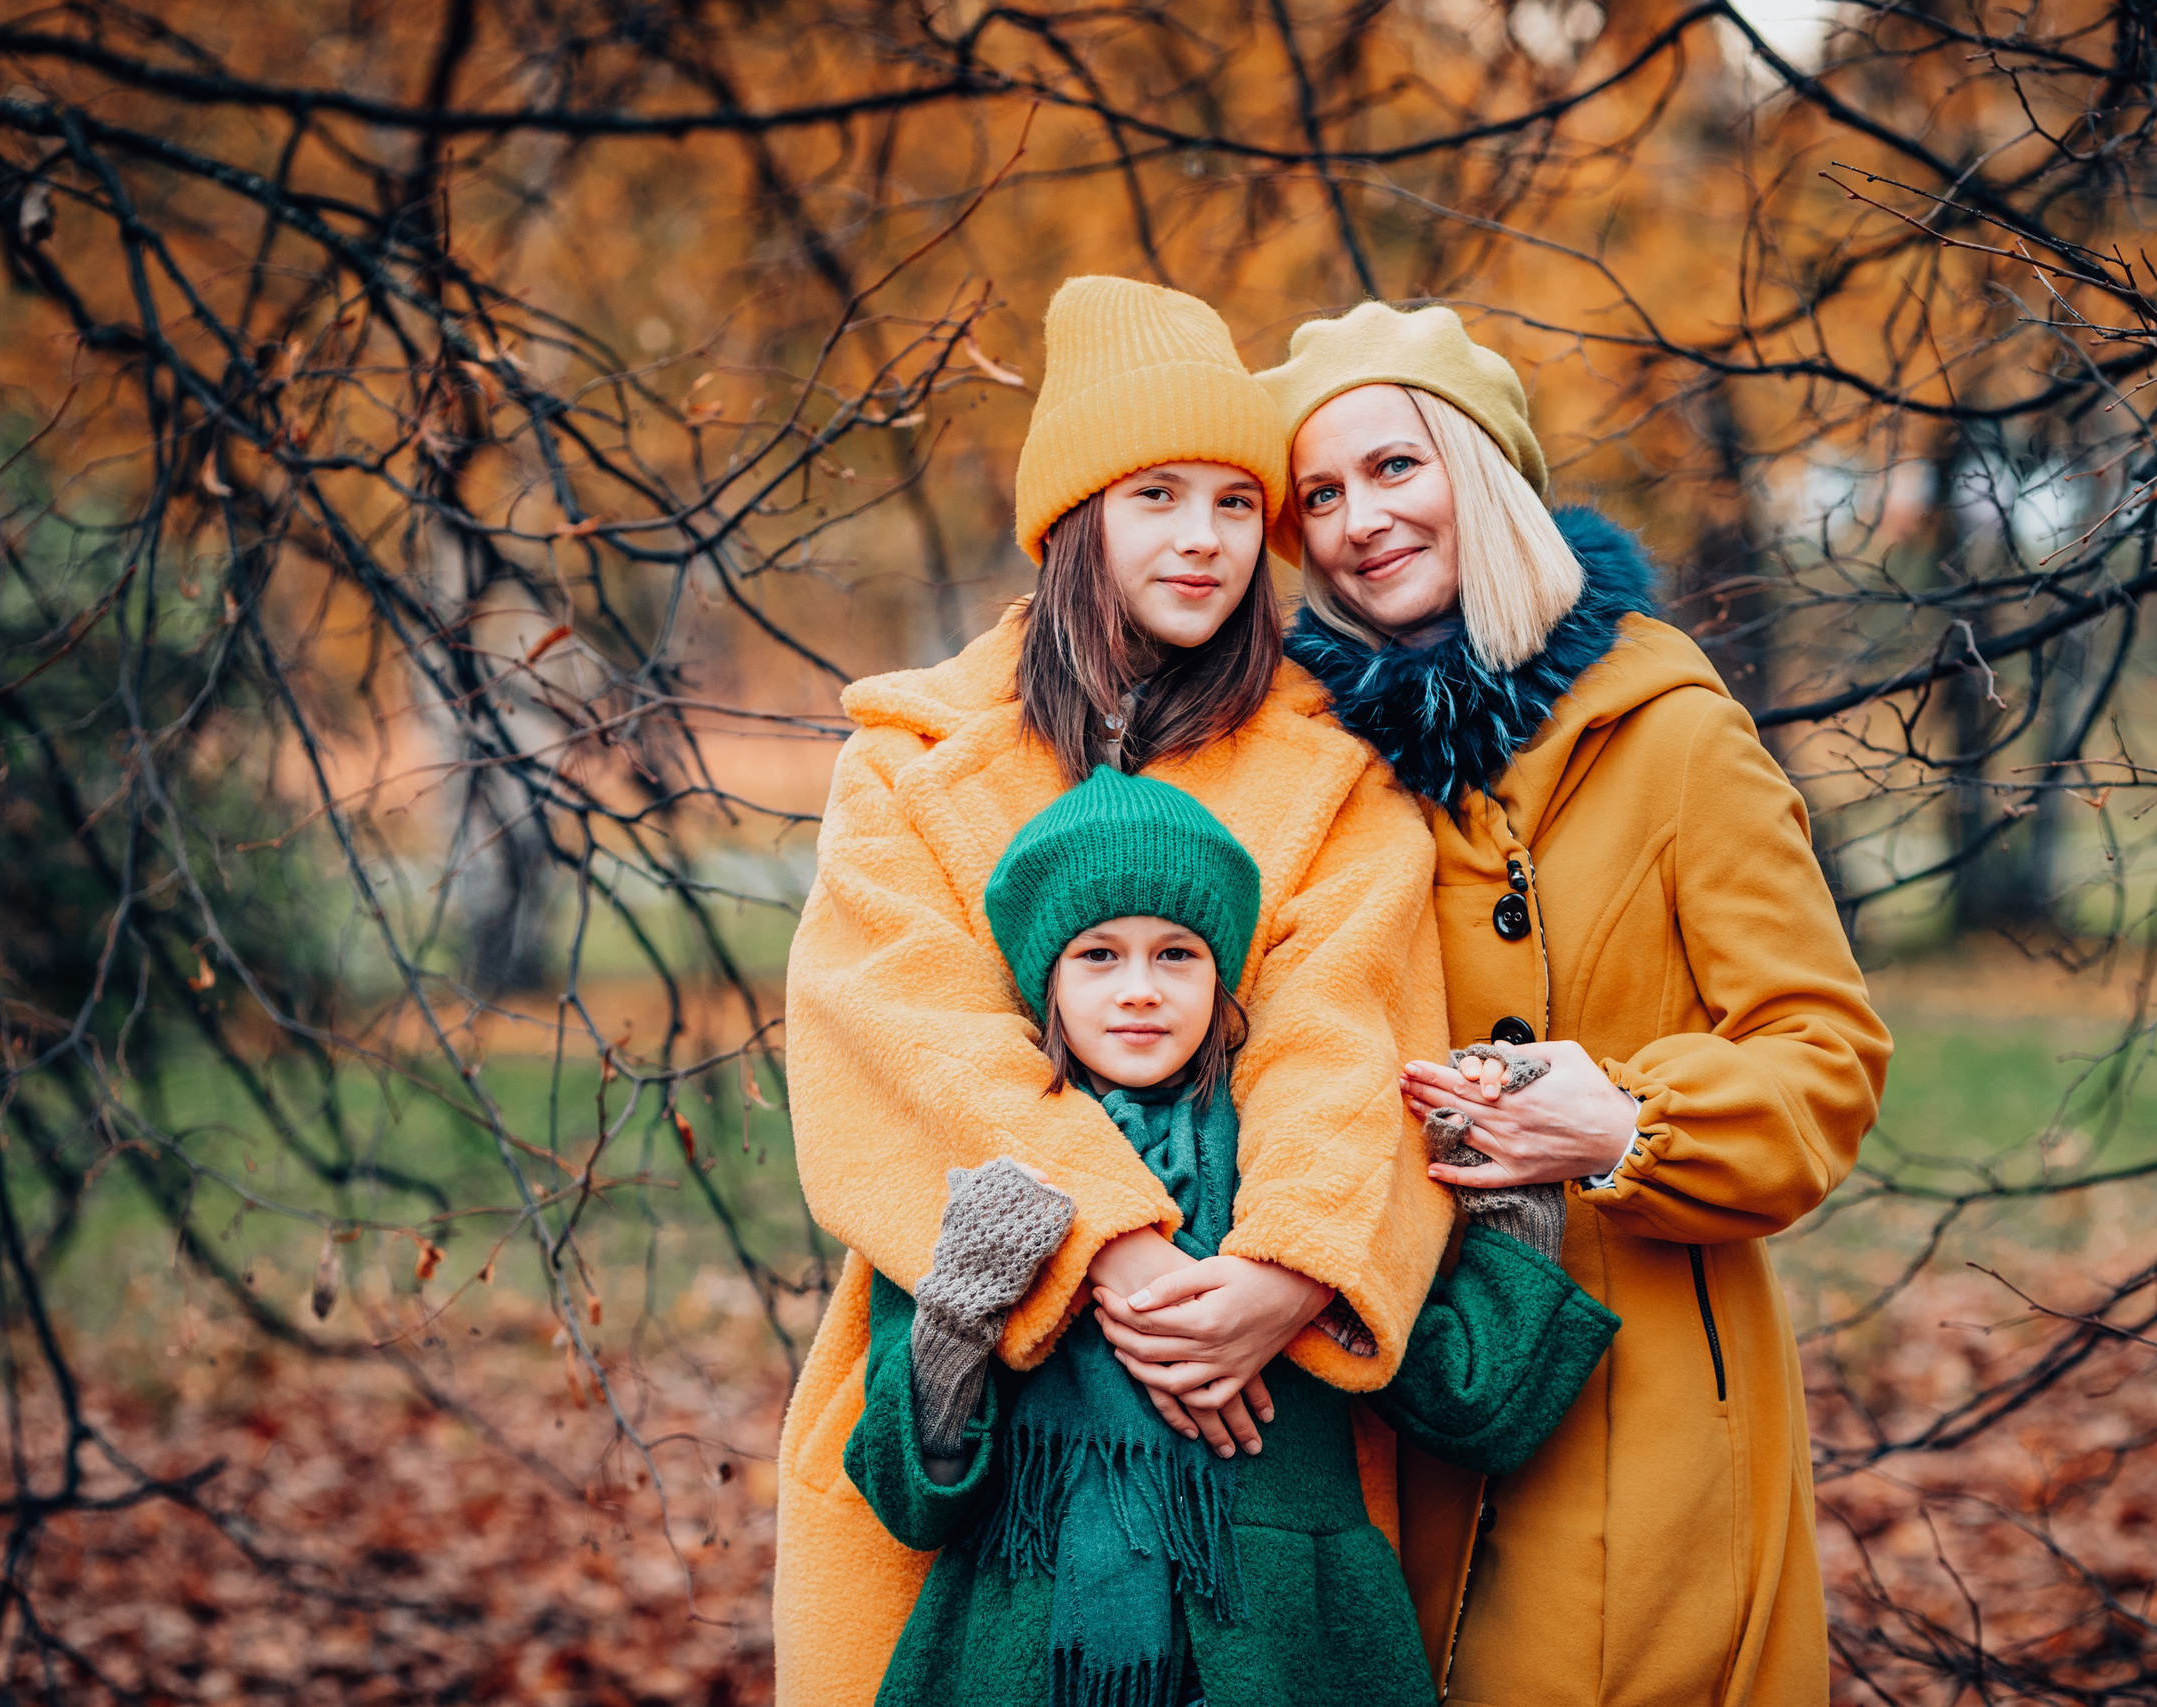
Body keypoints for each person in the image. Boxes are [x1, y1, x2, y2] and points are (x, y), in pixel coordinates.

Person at [772, 278, 1455, 1707]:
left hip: (1257, 1433)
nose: (1203, 538)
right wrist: (1114, 1245)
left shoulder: (1333, 771)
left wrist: (1282, 1269)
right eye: (1156, 493)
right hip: (982, 1416)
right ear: (1077, 518)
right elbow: (908, 1040)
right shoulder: (915, 760)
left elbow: (1346, 1030)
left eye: (1232, 500)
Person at [1258, 301, 1894, 1707]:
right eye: (1321, 494)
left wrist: (1626, 1121)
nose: (1360, 518)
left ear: (1480, 469)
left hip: (1647, 1382)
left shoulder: (1669, 727)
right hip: (1396, 1383)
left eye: (1395, 465)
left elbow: (1825, 1057)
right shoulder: (1308, 765)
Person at [841, 767, 1617, 1707]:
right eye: (1098, 954)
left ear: (1223, 973)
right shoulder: (986, 1172)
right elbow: (912, 1496)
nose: (1139, 989)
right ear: (1044, 972)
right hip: (1018, 1645)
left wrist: (1512, 1201)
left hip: (1290, 1646)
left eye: (1177, 954)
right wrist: (962, 1314)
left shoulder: (1294, 1169)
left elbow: (1473, 1405)